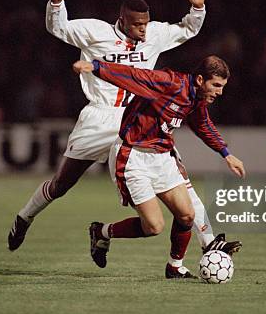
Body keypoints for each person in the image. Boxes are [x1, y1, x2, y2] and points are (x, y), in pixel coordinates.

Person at [7, 0, 240, 273]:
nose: (144, 30)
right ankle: (25, 217)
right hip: (99, 116)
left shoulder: (154, 34)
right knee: (62, 184)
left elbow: (187, 30)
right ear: (122, 20)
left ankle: (208, 242)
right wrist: (55, 3)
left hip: (139, 120)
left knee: (179, 176)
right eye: (137, 24)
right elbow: (59, 28)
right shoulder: (95, 32)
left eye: (146, 23)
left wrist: (197, 8)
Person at [72, 55, 245, 278]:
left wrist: (226, 153)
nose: (220, 92)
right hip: (133, 156)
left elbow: (202, 124)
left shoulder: (197, 99)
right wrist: (95, 67)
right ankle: (101, 232)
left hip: (162, 158)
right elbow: (133, 75)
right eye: (217, 85)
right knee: (153, 227)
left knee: (186, 215)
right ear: (201, 79)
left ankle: (175, 267)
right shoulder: (169, 82)